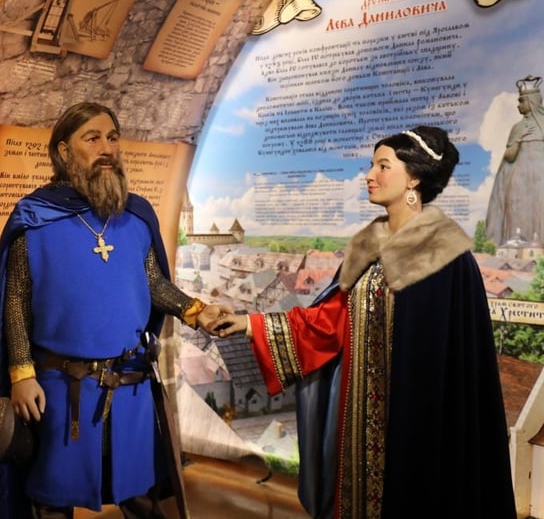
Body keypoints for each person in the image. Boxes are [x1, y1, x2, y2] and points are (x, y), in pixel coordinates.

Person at [210, 126, 516, 518]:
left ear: (414, 178)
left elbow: (455, 368)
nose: (369, 175)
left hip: (419, 424)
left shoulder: (447, 258)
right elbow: (327, 323)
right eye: (372, 165)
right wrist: (248, 323)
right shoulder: (368, 251)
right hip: (360, 426)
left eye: (383, 166)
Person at [0, 101, 228, 518]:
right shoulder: (35, 217)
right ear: (64, 151)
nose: (107, 148)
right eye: (93, 138)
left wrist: (196, 310)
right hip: (62, 388)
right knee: (52, 497)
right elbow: (16, 301)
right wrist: (22, 375)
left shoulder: (135, 216)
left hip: (129, 385)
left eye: (112, 138)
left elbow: (153, 283)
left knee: (139, 493)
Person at [485, 74, 544, 245]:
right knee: (517, 212)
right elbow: (509, 156)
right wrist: (518, 140)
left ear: (531, 102)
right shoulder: (517, 128)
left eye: (521, 101)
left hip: (540, 178)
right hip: (519, 180)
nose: (518, 105)